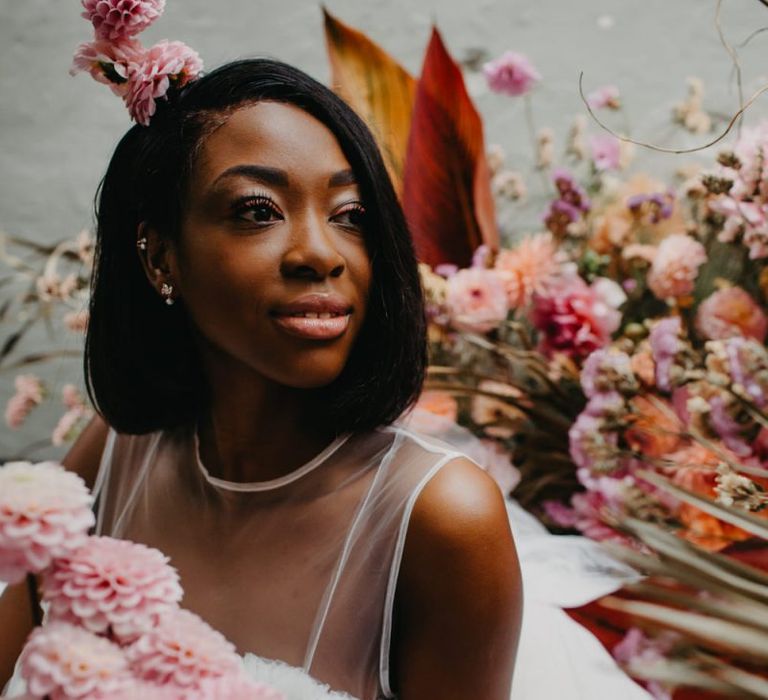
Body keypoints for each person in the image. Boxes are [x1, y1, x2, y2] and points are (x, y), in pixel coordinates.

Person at [0, 58, 522, 699]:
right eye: (258, 210)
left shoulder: (446, 520)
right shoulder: (114, 450)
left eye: (350, 215)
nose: (321, 254)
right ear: (161, 254)